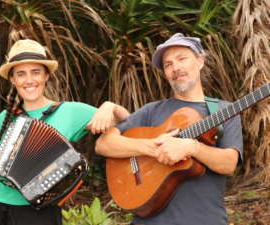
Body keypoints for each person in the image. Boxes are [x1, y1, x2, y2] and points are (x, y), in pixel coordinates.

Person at [0, 39, 130, 225]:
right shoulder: (4, 118)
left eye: (36, 72)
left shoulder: (70, 112)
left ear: (46, 76)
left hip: (40, 214)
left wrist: (110, 106)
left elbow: (128, 121)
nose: (29, 80)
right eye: (21, 74)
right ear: (12, 80)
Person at [95, 33, 243, 225]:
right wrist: (152, 148)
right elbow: (104, 144)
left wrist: (192, 147)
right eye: (168, 64)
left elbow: (229, 163)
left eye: (182, 58)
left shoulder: (224, 111)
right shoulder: (151, 110)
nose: (176, 68)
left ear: (200, 61)